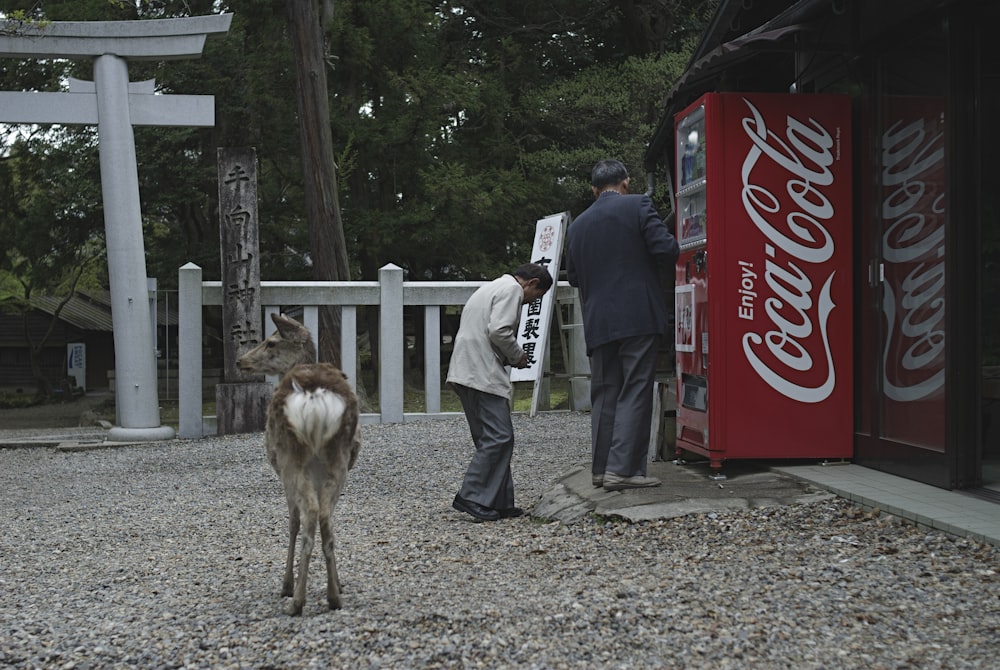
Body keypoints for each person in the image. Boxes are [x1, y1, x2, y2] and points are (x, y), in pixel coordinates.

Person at [565, 159, 679, 491]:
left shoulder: (579, 225)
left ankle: (601, 470)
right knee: (635, 389)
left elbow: (573, 277)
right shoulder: (639, 205)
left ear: (594, 189)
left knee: (605, 393)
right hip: (637, 315)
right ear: (626, 182)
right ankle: (624, 470)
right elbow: (666, 249)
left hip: (598, 320)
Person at [448, 262, 554, 521]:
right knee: (500, 437)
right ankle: (471, 496)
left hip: (464, 369)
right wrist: (518, 356)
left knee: (489, 438)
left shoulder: (489, 287)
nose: (530, 302)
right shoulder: (512, 290)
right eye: (535, 296)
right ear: (532, 283)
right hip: (482, 372)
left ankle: (499, 501)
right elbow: (499, 331)